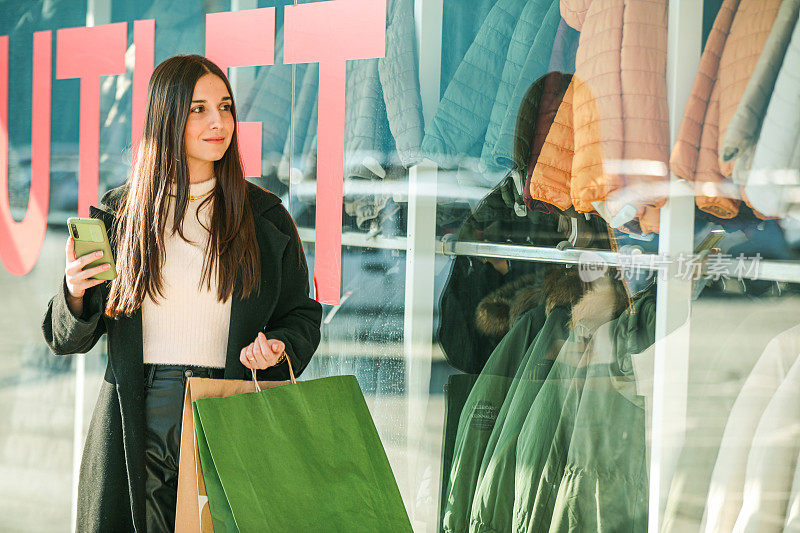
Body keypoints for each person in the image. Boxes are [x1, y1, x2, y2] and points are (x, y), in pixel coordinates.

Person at [41, 55, 322, 532]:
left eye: (226, 107)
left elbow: (301, 315)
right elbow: (66, 337)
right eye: (199, 109)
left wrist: (278, 347)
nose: (219, 122)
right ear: (167, 116)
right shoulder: (121, 214)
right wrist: (73, 291)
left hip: (227, 406)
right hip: (137, 413)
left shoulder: (265, 217)